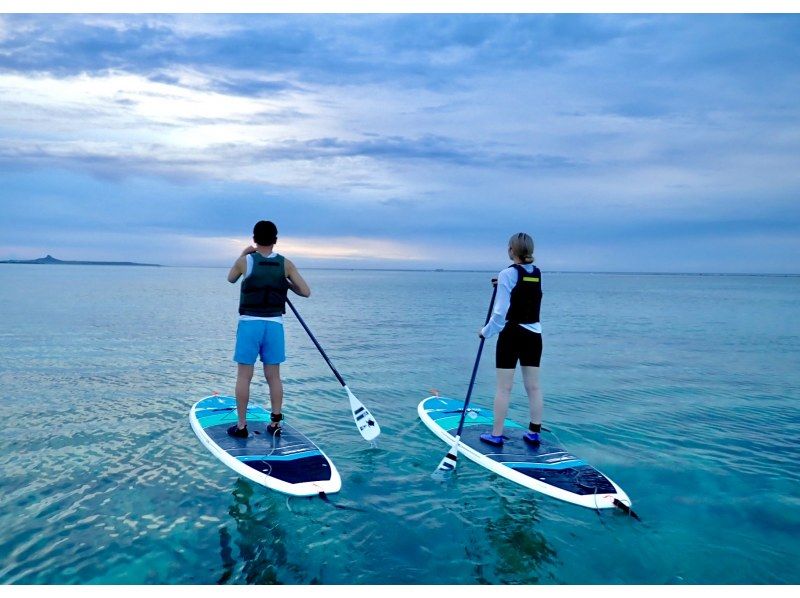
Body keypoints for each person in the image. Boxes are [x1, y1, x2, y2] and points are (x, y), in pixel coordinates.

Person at [226, 220, 310, 439]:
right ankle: (275, 423)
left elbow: (231, 278)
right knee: (274, 377)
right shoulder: (286, 264)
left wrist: (243, 253)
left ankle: (242, 426)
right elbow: (305, 291)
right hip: (274, 325)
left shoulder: (246, 261)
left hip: (249, 325)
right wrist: (286, 284)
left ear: (254, 239)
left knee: (244, 376)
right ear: (275, 240)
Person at [478, 232, 544, 447]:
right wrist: (504, 282)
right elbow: (525, 289)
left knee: (504, 388)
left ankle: (496, 435)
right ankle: (534, 432)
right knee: (533, 387)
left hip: (512, 335)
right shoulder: (536, 273)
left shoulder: (507, 274)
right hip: (534, 336)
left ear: (511, 250)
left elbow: (500, 313)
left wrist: (485, 332)